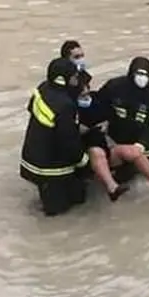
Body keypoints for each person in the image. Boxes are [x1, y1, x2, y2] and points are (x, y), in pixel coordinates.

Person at [96, 56, 149, 198]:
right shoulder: (114, 87)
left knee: (145, 179)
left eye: (145, 75)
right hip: (117, 141)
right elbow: (98, 105)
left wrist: (141, 146)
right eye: (139, 74)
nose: (141, 78)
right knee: (122, 179)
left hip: (143, 146)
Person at [20, 58, 90, 217]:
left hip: (32, 159)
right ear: (63, 79)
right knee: (62, 212)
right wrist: (85, 163)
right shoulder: (65, 105)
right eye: (73, 77)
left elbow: (33, 109)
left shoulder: (42, 89)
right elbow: (69, 142)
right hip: (51, 169)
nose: (75, 81)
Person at [76, 71, 130, 202]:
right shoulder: (70, 107)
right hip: (85, 146)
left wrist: (106, 123)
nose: (86, 93)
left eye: (87, 89)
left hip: (103, 141)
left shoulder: (97, 99)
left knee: (131, 152)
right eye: (82, 93)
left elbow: (110, 115)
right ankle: (112, 188)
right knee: (97, 153)